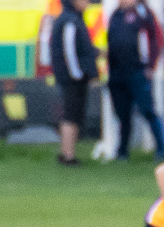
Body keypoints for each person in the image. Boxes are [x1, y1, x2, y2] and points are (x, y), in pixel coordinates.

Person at [107, 0, 164, 161]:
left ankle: (161, 148)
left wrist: (151, 66)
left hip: (137, 71)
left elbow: (156, 40)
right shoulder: (115, 15)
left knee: (147, 110)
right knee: (122, 114)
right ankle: (122, 151)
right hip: (117, 72)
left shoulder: (143, 13)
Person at [50, 0, 100, 165]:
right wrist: (77, 74)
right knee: (71, 115)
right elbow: (69, 50)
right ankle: (68, 155)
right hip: (72, 78)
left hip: (73, 76)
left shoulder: (73, 19)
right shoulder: (70, 21)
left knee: (73, 115)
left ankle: (67, 153)